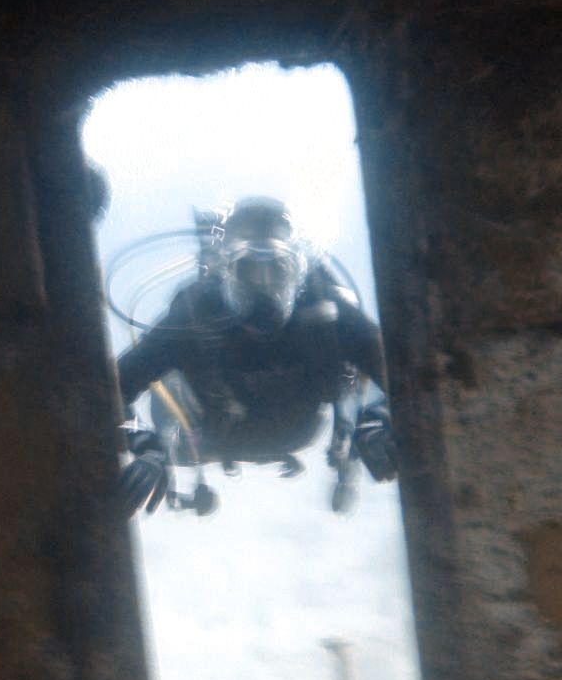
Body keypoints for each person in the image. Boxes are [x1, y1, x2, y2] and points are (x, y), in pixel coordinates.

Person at [113, 196, 398, 516]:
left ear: (297, 271)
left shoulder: (327, 311)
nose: (264, 288)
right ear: (226, 271)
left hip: (281, 434)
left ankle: (347, 453)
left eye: (278, 269)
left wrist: (379, 418)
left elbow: (402, 376)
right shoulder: (194, 316)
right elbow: (110, 392)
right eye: (248, 269)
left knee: (352, 382)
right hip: (215, 438)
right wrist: (145, 444)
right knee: (170, 390)